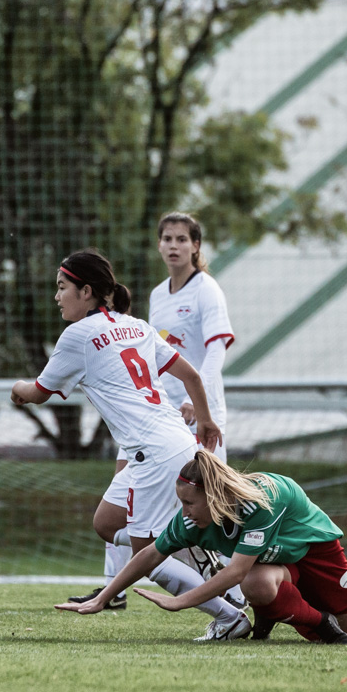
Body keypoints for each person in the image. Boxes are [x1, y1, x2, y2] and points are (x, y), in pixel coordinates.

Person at [12, 250, 250, 641]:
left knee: (149, 558)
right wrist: (205, 420)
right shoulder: (135, 326)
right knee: (106, 524)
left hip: (154, 453)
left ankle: (229, 617)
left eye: (61, 287)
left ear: (85, 291)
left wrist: (16, 390)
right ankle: (185, 545)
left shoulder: (77, 336)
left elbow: (38, 392)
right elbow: (190, 374)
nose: (57, 297)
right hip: (172, 441)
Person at [60, 450, 347, 645]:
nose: (184, 511)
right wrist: (103, 598)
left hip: (315, 551)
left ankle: (268, 613)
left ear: (214, 497)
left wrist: (181, 601)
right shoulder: (190, 521)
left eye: (189, 503)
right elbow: (150, 554)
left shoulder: (260, 504)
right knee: (255, 585)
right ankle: (318, 621)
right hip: (278, 566)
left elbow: (235, 571)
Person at [144, 212, 241, 605]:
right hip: (164, 416)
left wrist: (196, 400)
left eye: (182, 239)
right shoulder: (156, 294)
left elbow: (217, 348)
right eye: (166, 238)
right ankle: (114, 582)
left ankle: (235, 586)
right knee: (153, 497)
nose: (173, 245)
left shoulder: (206, 290)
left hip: (201, 414)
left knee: (212, 501)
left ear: (196, 246)